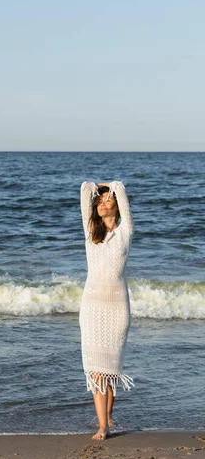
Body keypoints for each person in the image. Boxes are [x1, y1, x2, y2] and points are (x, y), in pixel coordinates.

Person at [79, 180, 134, 440]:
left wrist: (112, 186)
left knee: (110, 370)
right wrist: (96, 187)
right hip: (91, 307)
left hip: (117, 309)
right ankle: (104, 426)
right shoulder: (91, 232)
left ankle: (108, 416)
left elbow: (122, 192)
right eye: (99, 201)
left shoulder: (125, 232)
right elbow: (83, 190)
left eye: (107, 200)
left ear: (116, 206)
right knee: (96, 370)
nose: (102, 203)